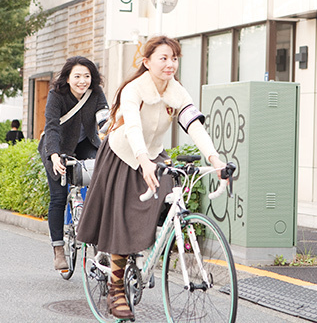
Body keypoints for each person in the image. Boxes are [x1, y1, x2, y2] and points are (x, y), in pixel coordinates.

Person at [76, 36, 227, 321]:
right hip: (124, 155)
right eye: (164, 58)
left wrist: (214, 158)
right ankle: (116, 287)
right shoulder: (135, 89)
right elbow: (132, 125)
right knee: (125, 219)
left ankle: (142, 252)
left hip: (152, 155)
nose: (171, 64)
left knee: (164, 200)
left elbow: (194, 126)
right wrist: (143, 159)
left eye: (174, 58)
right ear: (146, 62)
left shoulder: (178, 92)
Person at [38, 56, 109, 271]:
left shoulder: (95, 93)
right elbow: (51, 127)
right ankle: (59, 249)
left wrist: (109, 127)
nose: (82, 81)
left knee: (101, 181)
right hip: (56, 146)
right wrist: (53, 155)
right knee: (58, 197)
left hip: (85, 143)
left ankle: (101, 244)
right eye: (77, 76)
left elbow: (104, 118)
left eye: (86, 76)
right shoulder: (56, 95)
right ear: (68, 78)